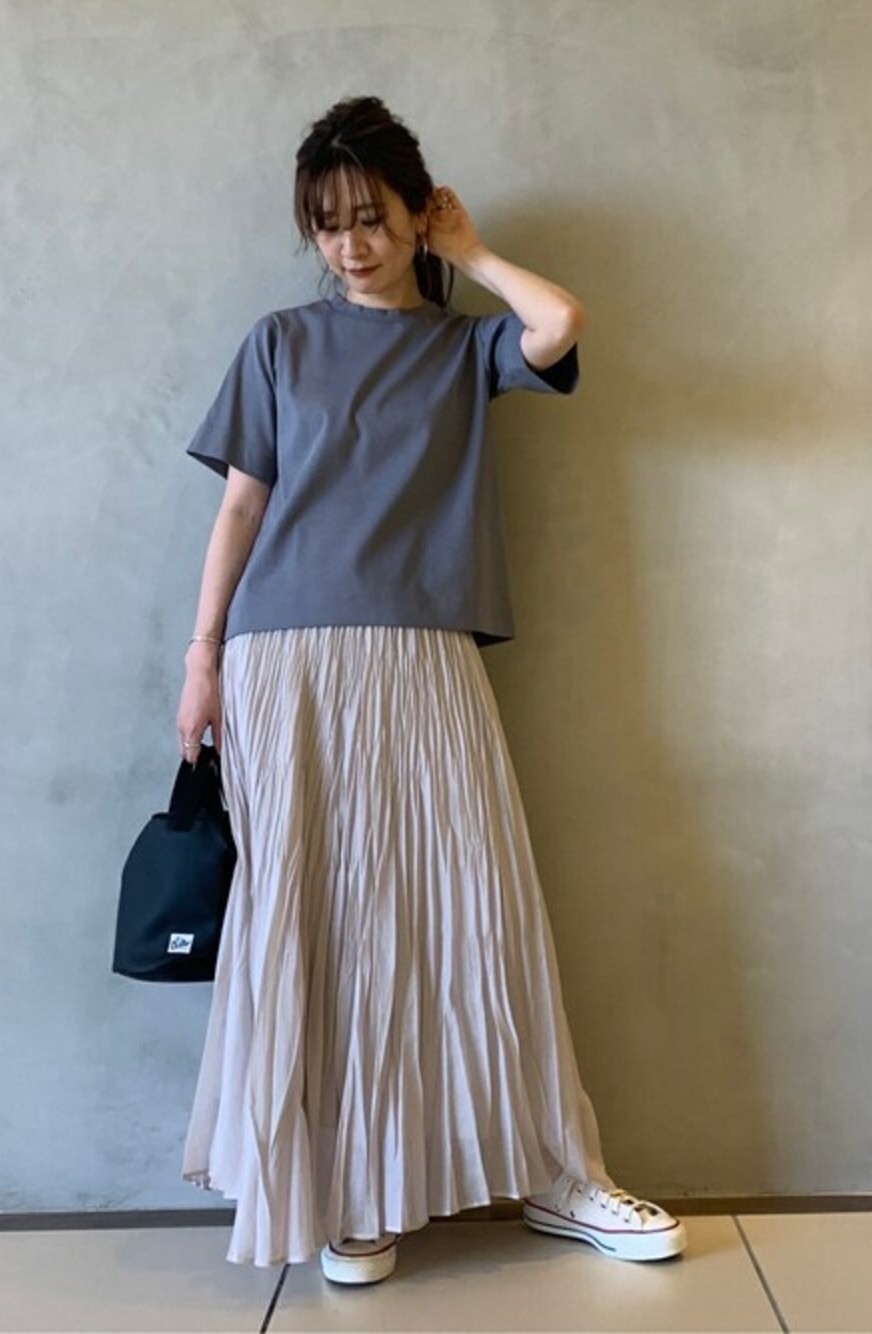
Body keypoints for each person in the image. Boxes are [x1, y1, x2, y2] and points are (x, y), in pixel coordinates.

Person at [175, 95, 687, 1285]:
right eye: (327, 223)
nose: (348, 243)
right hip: (283, 658)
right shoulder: (279, 342)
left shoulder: (465, 348)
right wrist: (201, 658)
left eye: (371, 216)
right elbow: (240, 507)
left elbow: (558, 322)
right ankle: (349, 1190)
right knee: (319, 920)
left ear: (416, 212)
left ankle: (558, 1172)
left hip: (422, 650)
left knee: (477, 905)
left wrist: (472, 252)